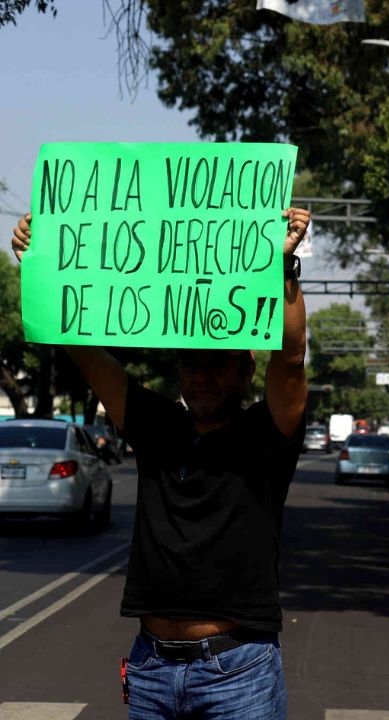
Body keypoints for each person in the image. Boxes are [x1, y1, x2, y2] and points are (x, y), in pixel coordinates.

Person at [10, 207, 311, 719]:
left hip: (238, 674)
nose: (201, 374)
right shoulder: (157, 426)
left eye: (217, 361)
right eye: (190, 361)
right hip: (150, 670)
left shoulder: (267, 434)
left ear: (246, 367)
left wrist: (283, 268)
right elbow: (83, 350)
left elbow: (292, 353)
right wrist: (40, 266)